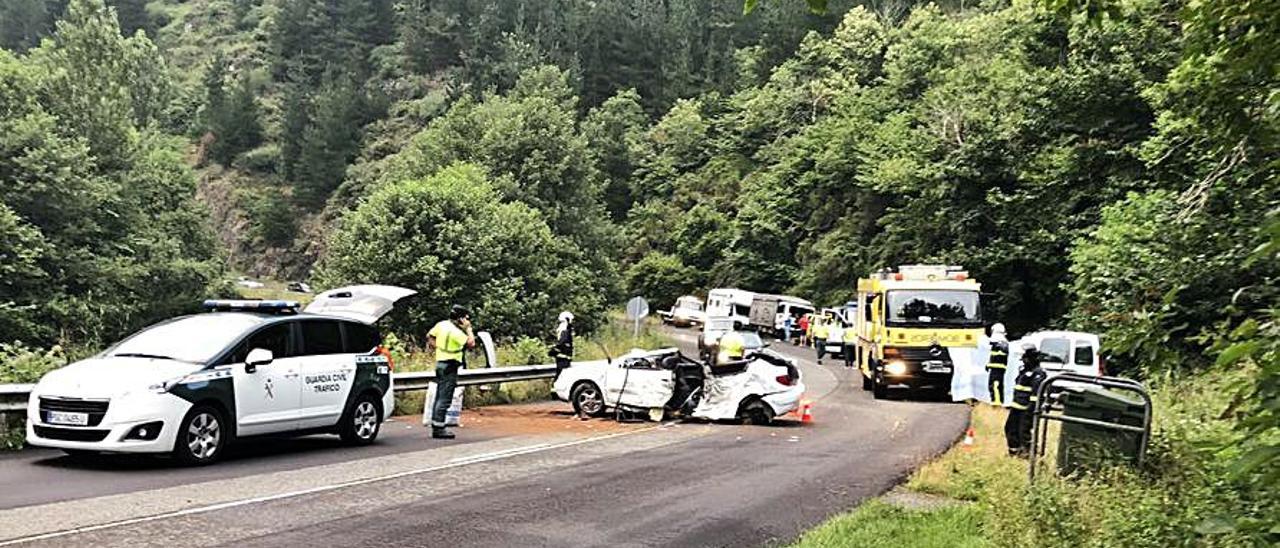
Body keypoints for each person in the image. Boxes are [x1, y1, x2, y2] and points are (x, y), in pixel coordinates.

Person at [427, 305, 476, 440]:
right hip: (450, 365)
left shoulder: (441, 325)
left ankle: (436, 423)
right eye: (465, 318)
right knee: (445, 397)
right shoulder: (456, 332)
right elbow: (471, 343)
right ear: (460, 319)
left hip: (440, 363)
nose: (467, 321)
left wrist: (438, 348)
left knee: (439, 395)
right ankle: (439, 428)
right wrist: (469, 329)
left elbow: (430, 336)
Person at [1005, 343, 1048, 456]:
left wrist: (1031, 409)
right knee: (1010, 429)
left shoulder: (1038, 373)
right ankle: (1014, 452)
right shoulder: (1024, 371)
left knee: (1024, 432)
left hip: (1027, 409)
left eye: (1025, 358)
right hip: (1016, 407)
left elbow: (1036, 394)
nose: (1023, 361)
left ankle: (1028, 454)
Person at [987, 323, 1009, 405]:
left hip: (996, 370)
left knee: (994, 386)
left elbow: (997, 359)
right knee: (997, 386)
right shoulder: (1003, 343)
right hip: (998, 369)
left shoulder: (998, 344)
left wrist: (989, 365)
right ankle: (997, 402)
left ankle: (996, 403)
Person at [552, 311, 574, 378]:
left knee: (561, 374)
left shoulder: (561, 328)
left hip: (562, 357)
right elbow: (563, 342)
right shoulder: (565, 329)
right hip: (564, 358)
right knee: (562, 375)